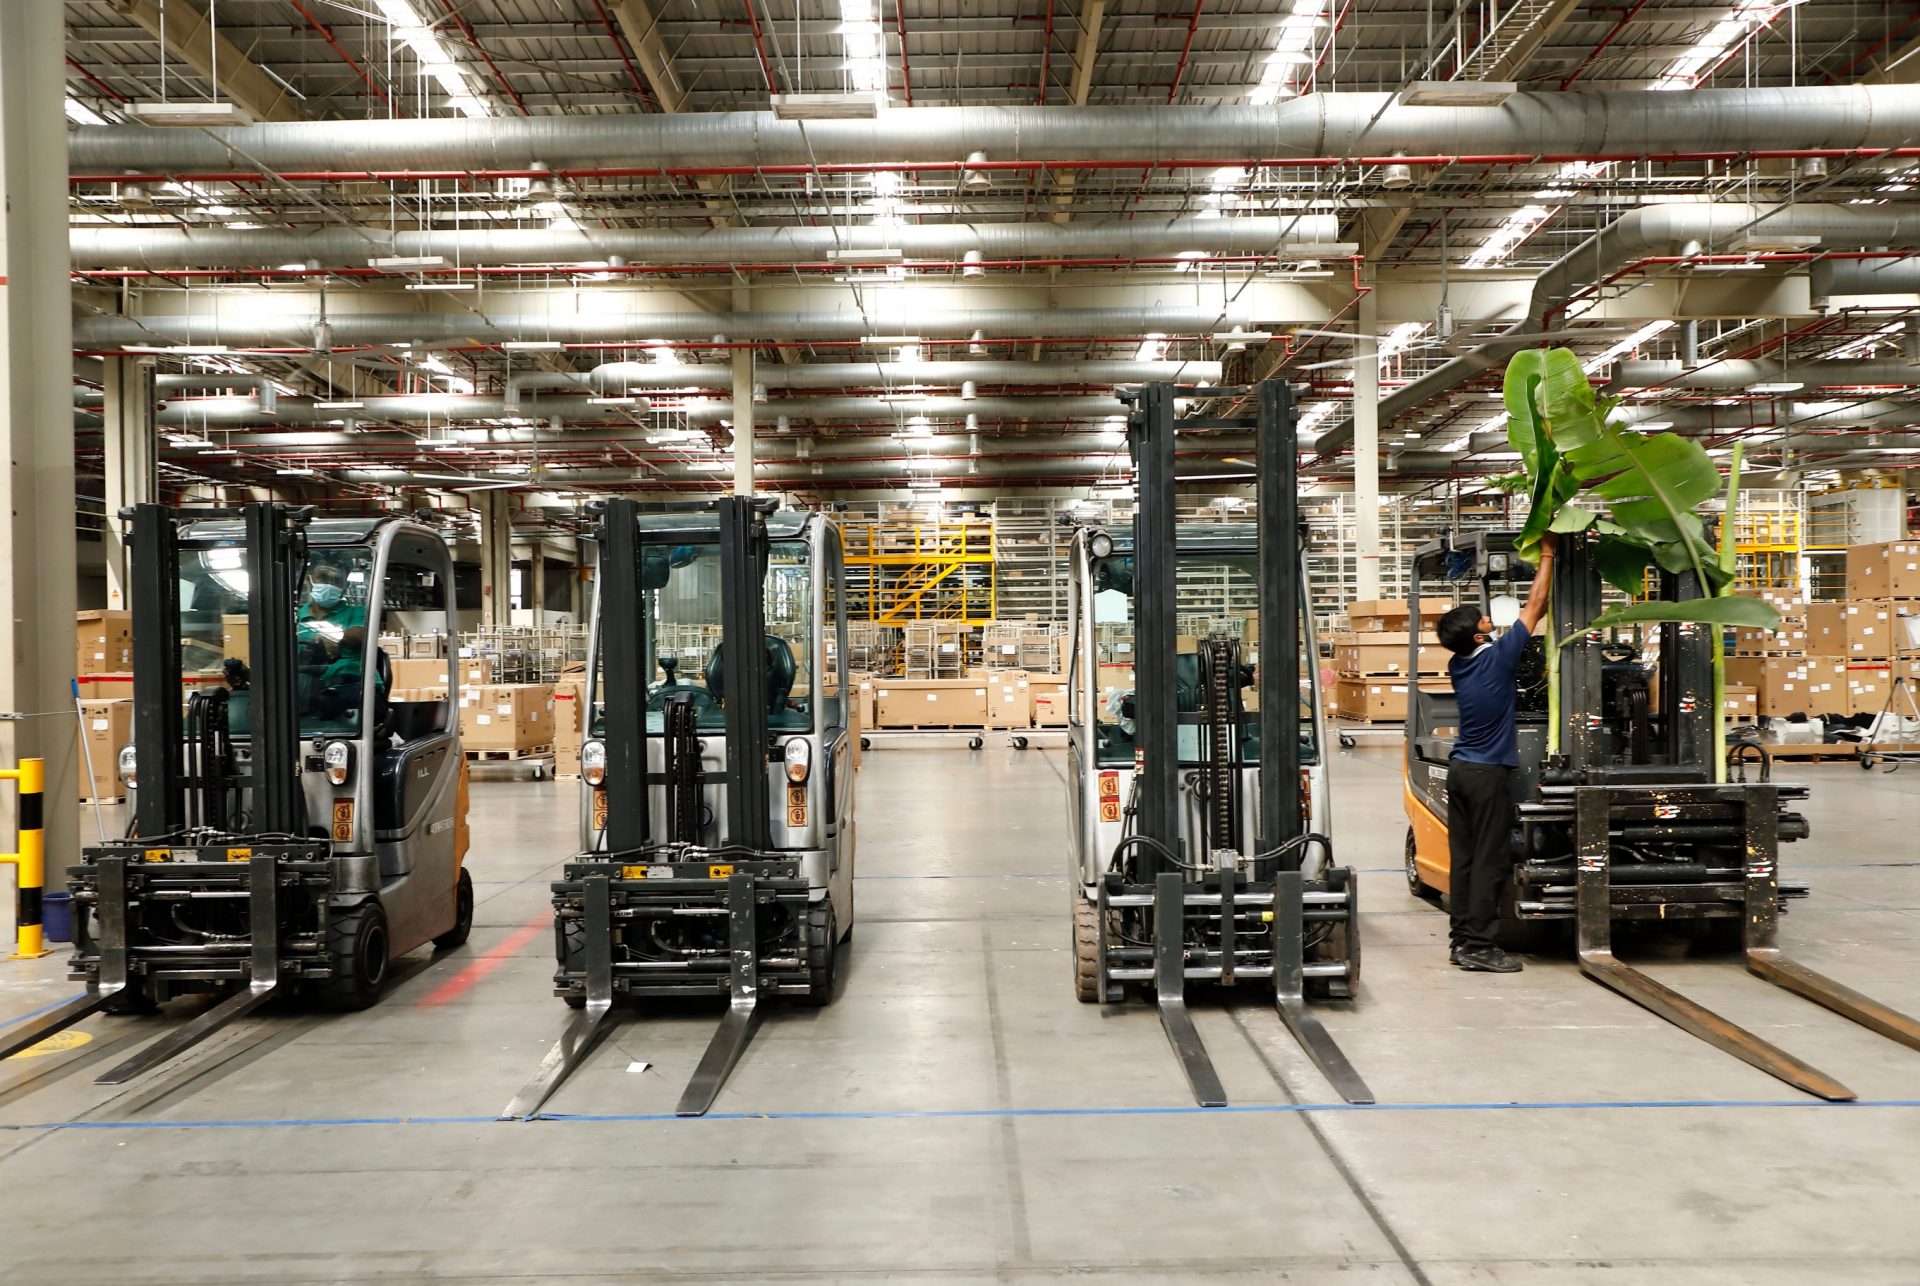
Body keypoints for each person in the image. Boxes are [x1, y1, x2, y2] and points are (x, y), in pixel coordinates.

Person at [1431, 531, 1557, 974]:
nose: (1488, 616)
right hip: (1485, 776)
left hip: (1462, 770)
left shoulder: (1459, 662)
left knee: (1464, 862)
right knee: (1489, 861)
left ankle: (1461, 941)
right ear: (1478, 633)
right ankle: (1479, 947)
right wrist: (1547, 554)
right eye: (1482, 617)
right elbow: (1535, 606)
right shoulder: (1497, 658)